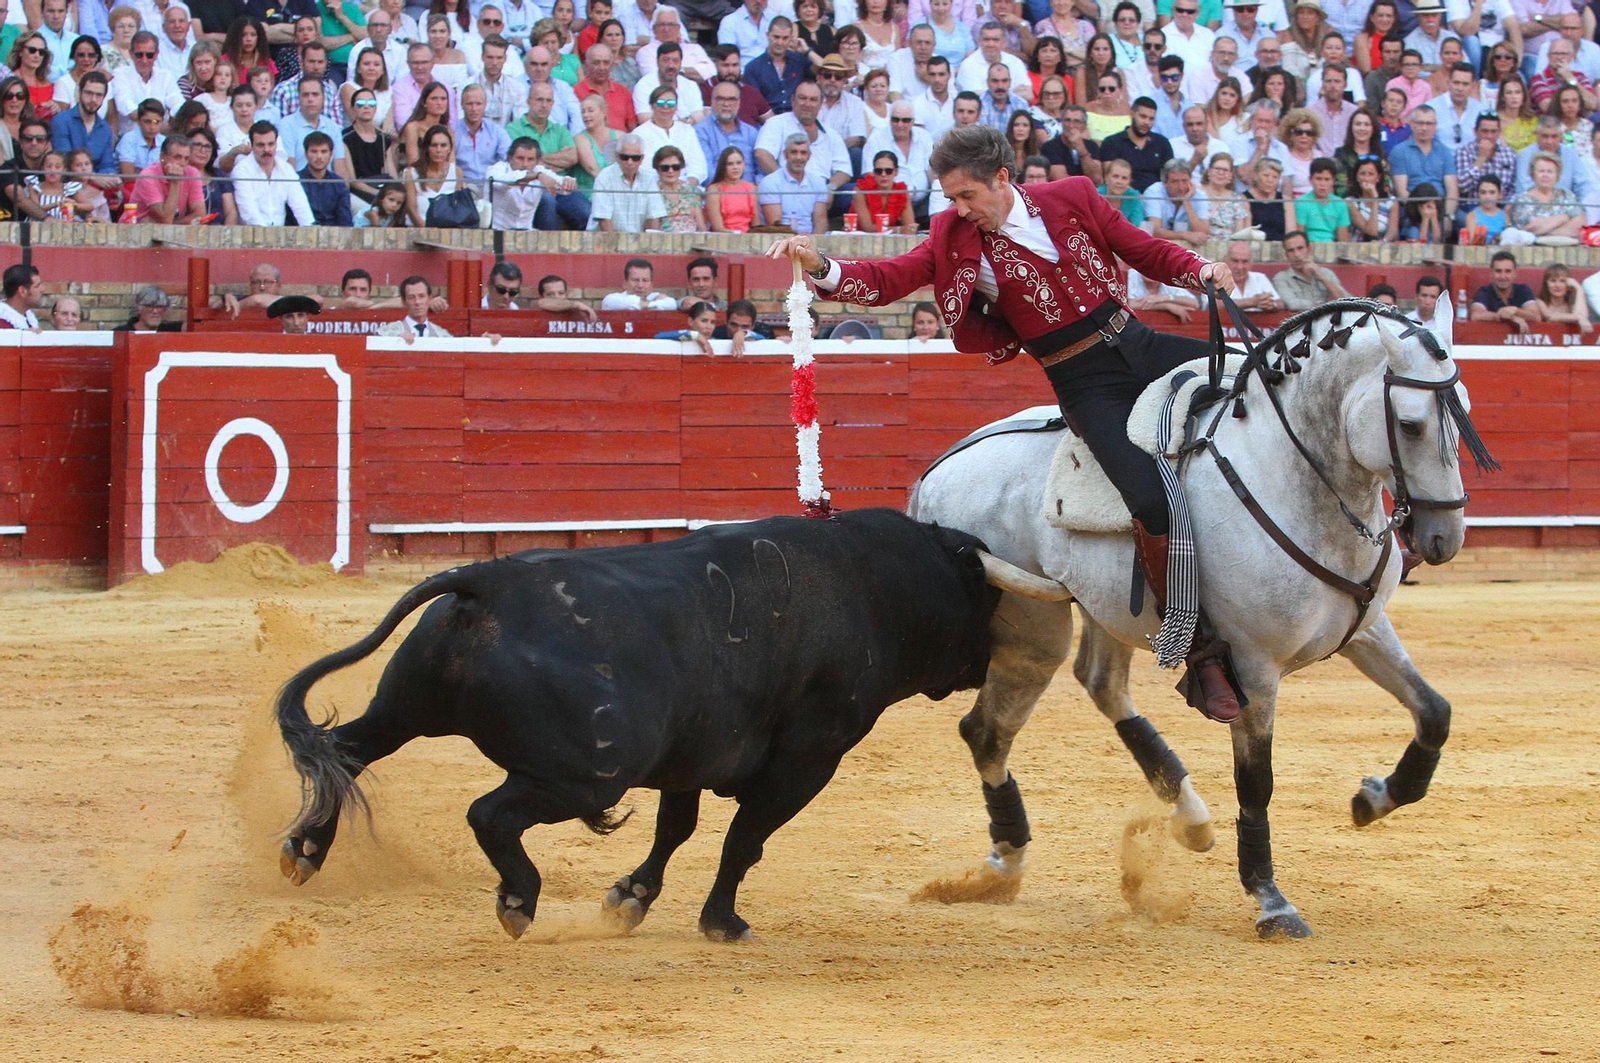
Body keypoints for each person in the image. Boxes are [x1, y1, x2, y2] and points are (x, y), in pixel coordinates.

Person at [766, 123, 1245, 724]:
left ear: (1002, 178)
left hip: (1141, 345)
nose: (959, 209)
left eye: (967, 196)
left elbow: (1140, 248)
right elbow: (889, 280)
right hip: (1085, 383)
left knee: (1261, 377)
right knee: (1151, 497)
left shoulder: (1072, 195)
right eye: (950, 199)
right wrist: (822, 266)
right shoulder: (952, 236)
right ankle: (1197, 649)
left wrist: (1200, 270)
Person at [232, 121, 315, 225]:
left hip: (279, 235)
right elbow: (249, 213)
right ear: (252, 146)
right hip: (250, 236)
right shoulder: (242, 170)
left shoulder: (286, 169)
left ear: (276, 144)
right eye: (260, 145)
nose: (266, 149)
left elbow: (300, 206)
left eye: (271, 144)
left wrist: (311, 230)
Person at [589, 131, 665, 231]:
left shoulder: (648, 178)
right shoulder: (604, 178)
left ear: (642, 159)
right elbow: (604, 221)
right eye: (625, 157)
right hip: (605, 242)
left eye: (635, 158)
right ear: (617, 157)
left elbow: (654, 217)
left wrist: (650, 245)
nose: (630, 162)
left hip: (639, 243)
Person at [757, 132, 830, 233]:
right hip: (780, 240)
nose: (798, 157)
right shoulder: (770, 182)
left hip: (810, 241)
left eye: (803, 153)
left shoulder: (818, 183)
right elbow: (775, 224)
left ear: (809, 156)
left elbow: (820, 221)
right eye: (794, 152)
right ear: (785, 154)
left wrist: (813, 244)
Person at [1096, 95, 1171, 192]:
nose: (1146, 122)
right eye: (1143, 116)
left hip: (1156, 199)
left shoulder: (1162, 143)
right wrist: (1137, 197)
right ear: (1131, 113)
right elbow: (1111, 178)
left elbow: (1170, 177)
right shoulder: (1112, 143)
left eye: (1151, 119)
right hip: (1124, 198)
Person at [129, 131, 206, 222]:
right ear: (163, 156)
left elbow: (200, 214)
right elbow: (165, 219)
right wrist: (175, 182)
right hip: (138, 229)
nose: (182, 163)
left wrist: (175, 227)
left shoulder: (192, 173)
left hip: (170, 228)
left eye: (186, 158)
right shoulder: (148, 176)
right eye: (177, 157)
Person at [1272, 228, 1349, 309]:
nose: (1297, 255)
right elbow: (1292, 304)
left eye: (1300, 248)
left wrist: (1322, 278)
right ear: (1286, 255)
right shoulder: (1281, 278)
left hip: (1329, 320)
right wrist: (1326, 305)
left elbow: (1344, 300)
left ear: (1309, 249)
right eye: (1291, 251)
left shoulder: (1326, 273)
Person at [1470, 249, 1540, 333]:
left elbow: (1536, 316)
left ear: (1514, 273)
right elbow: (1475, 315)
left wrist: (1516, 311)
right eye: (1498, 271)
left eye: (1508, 271)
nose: (1503, 276)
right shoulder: (1484, 292)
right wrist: (1510, 318)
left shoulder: (1523, 290)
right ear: (1491, 273)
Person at [376, 275, 454, 339]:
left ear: (429, 299)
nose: (417, 302)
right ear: (404, 301)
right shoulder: (386, 333)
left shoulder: (442, 335)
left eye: (421, 296)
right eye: (411, 297)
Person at [1294, 156, 1350, 241]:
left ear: (1333, 181)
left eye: (1327, 179)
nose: (1322, 184)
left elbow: (1344, 239)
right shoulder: (1301, 202)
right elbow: (1299, 235)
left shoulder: (1340, 203)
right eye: (1318, 179)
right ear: (1310, 180)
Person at [1218, 239, 1283, 311]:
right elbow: (1215, 305)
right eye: (1235, 261)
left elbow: (1280, 303)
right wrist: (1253, 302)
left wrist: (1272, 304)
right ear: (1225, 261)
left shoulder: (1260, 278)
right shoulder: (1215, 279)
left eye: (1245, 261)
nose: (1240, 267)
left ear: (1251, 263)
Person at [705, 144, 757, 232]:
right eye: (730, 164)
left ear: (744, 164)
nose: (735, 167)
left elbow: (756, 224)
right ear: (723, 167)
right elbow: (718, 228)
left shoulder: (750, 187)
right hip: (723, 239)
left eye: (739, 163)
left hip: (748, 238)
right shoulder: (714, 189)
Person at [1535, 263, 1593, 335]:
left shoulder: (1571, 303)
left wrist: (1578, 288)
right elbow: (1550, 316)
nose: (1557, 285)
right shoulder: (1540, 301)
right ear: (1546, 284)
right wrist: (1578, 318)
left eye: (1562, 281)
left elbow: (1583, 317)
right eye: (1553, 281)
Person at [599, 257, 677, 310]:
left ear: (651, 284)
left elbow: (672, 303)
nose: (640, 285)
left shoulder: (653, 297)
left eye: (645, 280)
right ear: (625, 283)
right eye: (635, 280)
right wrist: (651, 304)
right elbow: (608, 301)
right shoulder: (614, 299)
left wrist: (646, 304)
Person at [1462, 173, 1507, 241]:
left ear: (1500, 194)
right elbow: (1471, 242)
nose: (1487, 197)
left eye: (1492, 192)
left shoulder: (1505, 216)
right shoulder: (1472, 216)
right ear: (1478, 194)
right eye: (1483, 192)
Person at [117, 285, 183, 331]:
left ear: (165, 309)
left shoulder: (171, 330)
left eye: (159, 306)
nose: (155, 311)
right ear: (139, 308)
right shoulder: (121, 333)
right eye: (149, 306)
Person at [0, 262, 41, 330]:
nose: (42, 289)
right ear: (22, 291)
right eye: (37, 286)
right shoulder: (3, 322)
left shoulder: (28, 316)